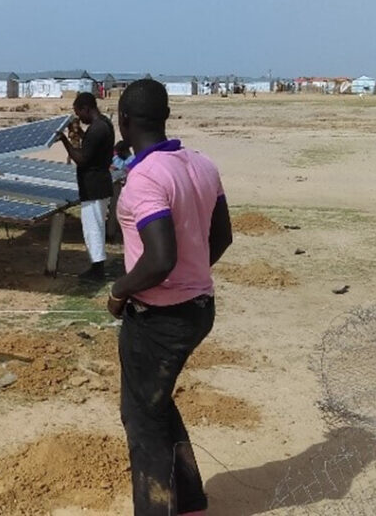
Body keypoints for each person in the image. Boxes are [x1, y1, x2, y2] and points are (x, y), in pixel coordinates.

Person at [106, 79, 232, 516]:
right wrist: (192, 275)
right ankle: (190, 502)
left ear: (123, 121)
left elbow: (159, 259)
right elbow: (222, 237)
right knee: (156, 405)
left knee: (141, 420)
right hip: (200, 308)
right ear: (163, 118)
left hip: (159, 319)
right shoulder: (201, 164)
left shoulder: (144, 178)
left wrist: (120, 291)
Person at [59, 92, 115, 281]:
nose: (79, 117)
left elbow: (82, 159)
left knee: (93, 228)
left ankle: (97, 269)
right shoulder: (104, 124)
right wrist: (80, 134)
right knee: (96, 226)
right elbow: (92, 147)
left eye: (79, 112)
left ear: (86, 109)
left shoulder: (97, 129)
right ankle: (96, 266)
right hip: (100, 183)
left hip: (94, 186)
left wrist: (64, 141)